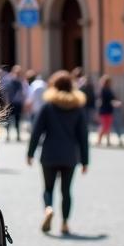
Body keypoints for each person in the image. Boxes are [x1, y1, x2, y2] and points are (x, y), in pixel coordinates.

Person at [27, 69, 89, 236]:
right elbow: (83, 136)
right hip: (70, 155)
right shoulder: (78, 108)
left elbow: (36, 131)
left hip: (49, 154)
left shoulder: (48, 107)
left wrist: (30, 153)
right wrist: (85, 161)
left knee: (48, 189)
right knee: (66, 191)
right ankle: (65, 224)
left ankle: (48, 209)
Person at [0, 64, 25, 141]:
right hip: (10, 103)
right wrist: (6, 102)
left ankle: (18, 135)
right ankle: (8, 135)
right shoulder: (9, 80)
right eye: (17, 72)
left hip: (17, 103)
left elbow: (22, 93)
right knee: (8, 120)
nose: (18, 74)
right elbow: (5, 91)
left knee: (18, 120)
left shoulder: (20, 82)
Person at [96, 74, 122, 147]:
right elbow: (106, 100)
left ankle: (108, 141)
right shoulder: (103, 90)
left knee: (108, 126)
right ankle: (99, 140)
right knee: (104, 126)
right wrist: (115, 102)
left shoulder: (108, 89)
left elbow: (113, 98)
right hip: (104, 110)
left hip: (109, 110)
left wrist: (115, 102)